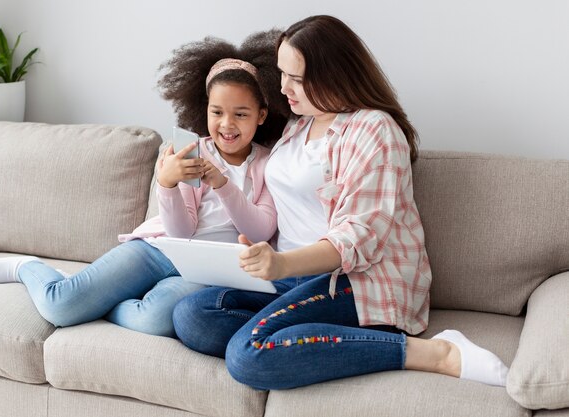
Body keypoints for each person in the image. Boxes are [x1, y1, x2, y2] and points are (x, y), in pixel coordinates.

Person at [172, 15, 509, 389]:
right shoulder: (298, 125)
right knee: (193, 314)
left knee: (247, 356)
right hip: (291, 279)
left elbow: (358, 238)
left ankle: (436, 353)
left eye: (297, 78)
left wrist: (281, 263)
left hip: (353, 281)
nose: (284, 88)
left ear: (334, 73)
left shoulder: (375, 129)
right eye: (283, 74)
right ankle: (303, 336)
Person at [0, 29, 290, 338]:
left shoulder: (268, 163)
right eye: (217, 112)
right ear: (204, 109)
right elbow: (181, 232)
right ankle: (25, 268)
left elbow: (261, 231)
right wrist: (166, 184)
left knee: (157, 320)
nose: (226, 124)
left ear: (261, 115)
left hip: (206, 272)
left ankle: (97, 302)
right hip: (157, 249)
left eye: (241, 114)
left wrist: (222, 184)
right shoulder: (191, 151)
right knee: (60, 306)